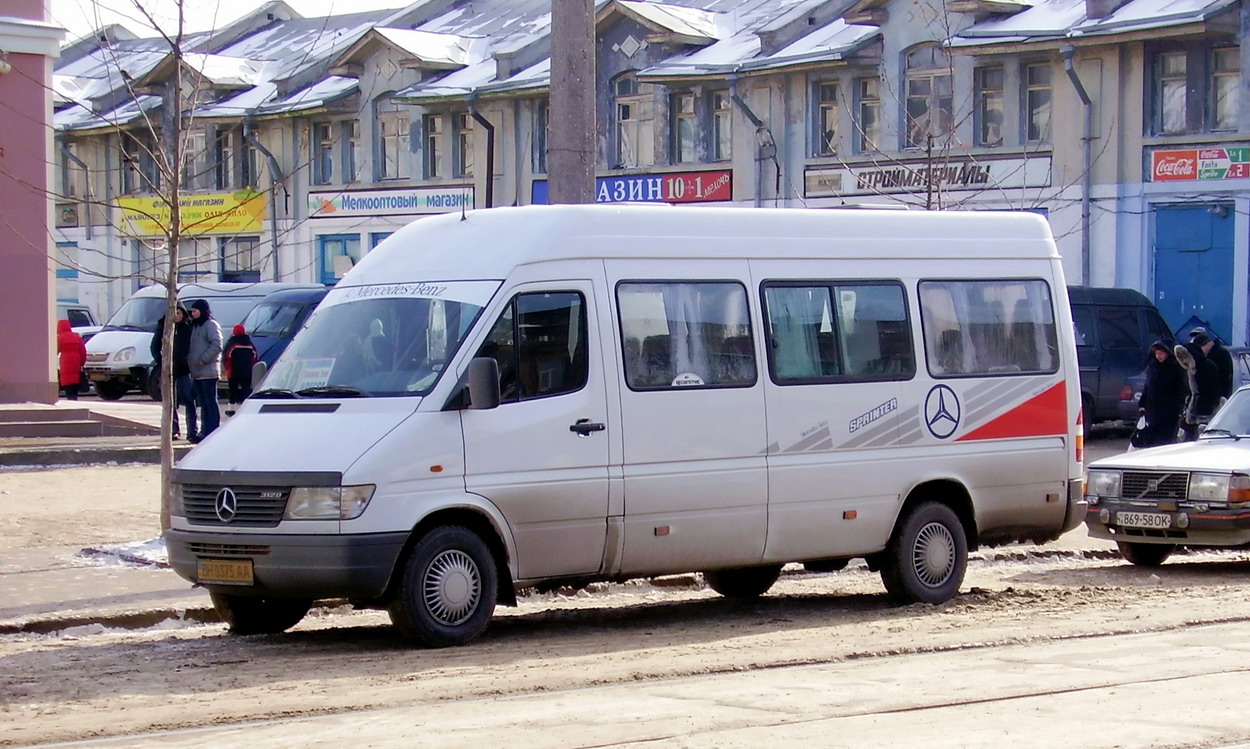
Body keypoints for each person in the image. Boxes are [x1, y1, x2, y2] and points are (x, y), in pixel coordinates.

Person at [1131, 341, 1187, 448]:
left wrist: (1177, 408)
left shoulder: (1175, 368)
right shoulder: (1153, 367)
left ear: (1167, 353)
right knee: (1150, 440)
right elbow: (1148, 387)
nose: (1159, 356)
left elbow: (1181, 390)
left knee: (1165, 442)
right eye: (1157, 353)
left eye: (1161, 353)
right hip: (1152, 411)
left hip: (1169, 413)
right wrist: (1142, 403)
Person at [150, 305, 194, 439]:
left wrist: (188, 361)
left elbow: (193, 346)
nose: (176, 315)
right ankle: (174, 430)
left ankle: (192, 431)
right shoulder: (164, 326)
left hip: (185, 369)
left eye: (179, 312)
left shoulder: (188, 328)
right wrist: (162, 361)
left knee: (189, 398)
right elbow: (154, 346)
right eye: (174, 312)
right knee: (170, 401)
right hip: (169, 368)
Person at [187, 299, 223, 443]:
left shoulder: (211, 325)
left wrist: (203, 359)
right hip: (197, 373)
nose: (192, 313)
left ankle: (213, 430)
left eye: (195, 311)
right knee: (202, 404)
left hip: (208, 371)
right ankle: (204, 431)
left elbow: (217, 344)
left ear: (202, 311)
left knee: (210, 403)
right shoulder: (196, 327)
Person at [1174, 340, 1222, 441]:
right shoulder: (1189, 370)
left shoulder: (1206, 368)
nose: (1184, 361)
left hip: (1205, 411)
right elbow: (1189, 391)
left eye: (1185, 358)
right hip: (1193, 412)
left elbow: (1211, 391)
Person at [223, 323, 257, 416]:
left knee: (232, 391)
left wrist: (227, 368)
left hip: (234, 371)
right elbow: (255, 357)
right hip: (247, 372)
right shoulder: (250, 344)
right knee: (246, 390)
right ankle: (245, 408)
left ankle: (231, 410)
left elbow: (226, 356)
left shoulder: (232, 343)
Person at [1191, 328, 1234, 401]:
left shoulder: (1221, 354)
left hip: (1220, 396)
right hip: (1213, 396)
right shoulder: (1212, 354)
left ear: (1206, 345)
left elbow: (1223, 377)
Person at [55, 319, 86, 401]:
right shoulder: (77, 336)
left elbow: (55, 351)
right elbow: (83, 351)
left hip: (65, 360)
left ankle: (69, 395)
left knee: (67, 378)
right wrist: (82, 362)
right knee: (75, 379)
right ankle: (74, 395)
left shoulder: (59, 338)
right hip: (76, 360)